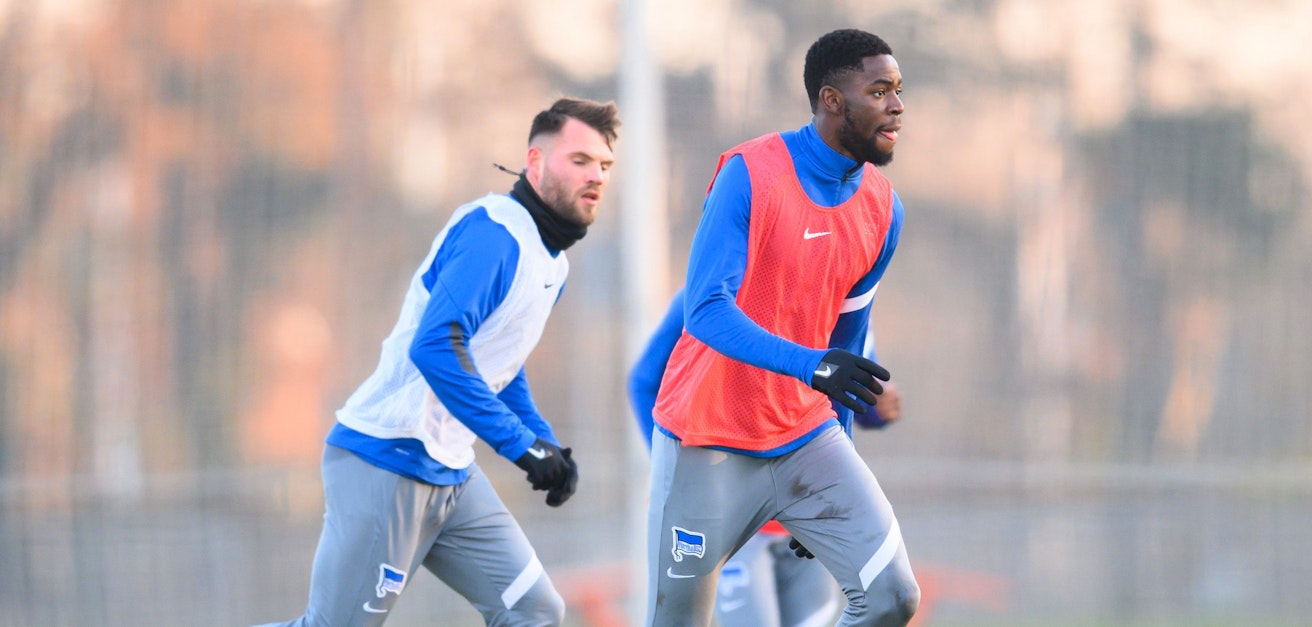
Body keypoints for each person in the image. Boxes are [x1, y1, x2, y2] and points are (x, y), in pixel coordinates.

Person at [258, 98, 618, 627]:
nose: (596, 177)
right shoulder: (495, 234)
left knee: (535, 610)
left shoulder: (552, 263)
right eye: (580, 160)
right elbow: (436, 346)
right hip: (387, 459)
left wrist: (543, 442)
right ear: (535, 163)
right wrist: (520, 445)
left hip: (451, 473)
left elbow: (500, 362)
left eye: (604, 165)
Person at [643, 28, 918, 627]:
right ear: (832, 101)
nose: (897, 105)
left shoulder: (883, 209)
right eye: (879, 91)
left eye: (899, 89)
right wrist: (811, 365)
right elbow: (705, 311)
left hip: (807, 438)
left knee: (893, 597)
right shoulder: (750, 173)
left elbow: (846, 350)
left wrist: (838, 464)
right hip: (708, 438)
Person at [630, 295, 903, 627]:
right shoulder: (713, 294)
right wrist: (677, 471)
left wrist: (879, 407)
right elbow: (644, 381)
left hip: (806, 505)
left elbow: (852, 390)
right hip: (734, 506)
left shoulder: (844, 296)